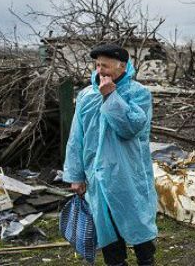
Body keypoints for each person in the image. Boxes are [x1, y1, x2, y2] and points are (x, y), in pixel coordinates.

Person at [63, 43, 157, 266]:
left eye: (105, 65)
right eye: (97, 65)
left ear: (121, 66)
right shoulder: (86, 96)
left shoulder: (139, 94)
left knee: (138, 224)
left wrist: (111, 97)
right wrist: (75, 175)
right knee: (107, 229)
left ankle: (146, 261)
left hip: (128, 175)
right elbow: (76, 137)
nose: (100, 71)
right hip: (97, 177)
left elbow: (131, 128)